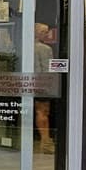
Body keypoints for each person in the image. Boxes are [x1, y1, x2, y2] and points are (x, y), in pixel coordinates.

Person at [34, 23, 55, 154]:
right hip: (42, 83)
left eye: (47, 31)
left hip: (29, 82)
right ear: (36, 32)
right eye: (43, 32)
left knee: (39, 111)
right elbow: (48, 69)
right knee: (43, 112)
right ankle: (45, 142)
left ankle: (45, 141)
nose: (46, 34)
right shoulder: (45, 49)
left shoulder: (26, 47)